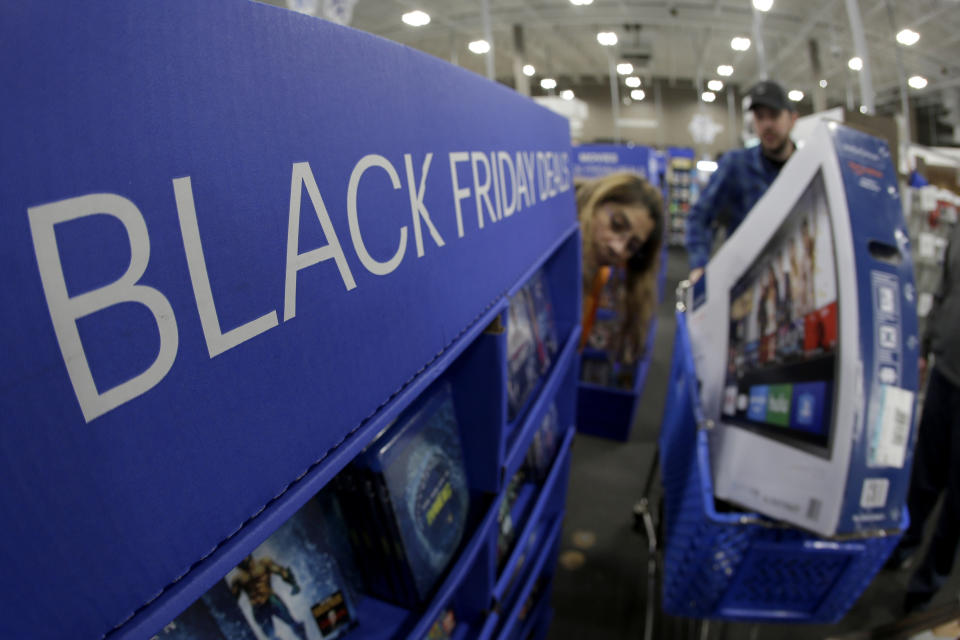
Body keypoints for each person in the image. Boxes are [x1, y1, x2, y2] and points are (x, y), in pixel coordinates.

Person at [888, 221, 960, 614]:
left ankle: (926, 586)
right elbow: (947, 289)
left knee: (957, 501)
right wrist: (926, 343)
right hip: (947, 370)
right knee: (925, 474)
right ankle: (901, 545)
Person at [686, 80, 799, 282]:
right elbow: (700, 216)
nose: (767, 125)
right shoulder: (736, 165)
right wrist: (699, 266)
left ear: (792, 119)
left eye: (773, 115)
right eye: (760, 117)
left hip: (796, 280)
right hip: (744, 282)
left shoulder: (807, 168)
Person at [575, 171, 664, 366]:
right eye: (616, 225)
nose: (618, 248)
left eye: (632, 247)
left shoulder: (599, 275)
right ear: (596, 201)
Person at [229, 554, 308, 640]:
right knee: (272, 637)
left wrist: (293, 583)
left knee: (293, 624)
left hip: (271, 600)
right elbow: (232, 601)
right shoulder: (237, 579)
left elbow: (282, 572)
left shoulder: (263, 564)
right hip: (258, 609)